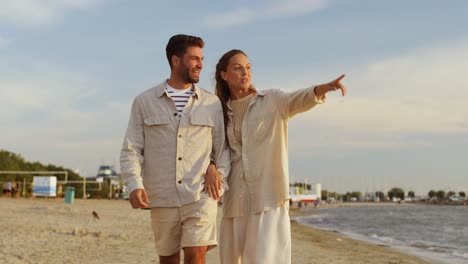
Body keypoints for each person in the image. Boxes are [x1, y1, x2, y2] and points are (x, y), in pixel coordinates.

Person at [215, 49, 347, 264]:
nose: (245, 73)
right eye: (237, 68)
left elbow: (298, 99)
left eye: (248, 67)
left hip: (268, 197)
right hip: (235, 200)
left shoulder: (272, 100)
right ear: (224, 74)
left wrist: (322, 89)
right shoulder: (219, 110)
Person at [120, 34, 230, 264]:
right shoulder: (144, 101)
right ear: (176, 60)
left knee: (195, 256)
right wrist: (134, 184)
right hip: (161, 196)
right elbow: (131, 149)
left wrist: (217, 175)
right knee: (168, 259)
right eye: (194, 58)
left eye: (201, 58)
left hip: (200, 194)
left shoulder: (211, 103)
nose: (200, 64)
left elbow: (222, 149)